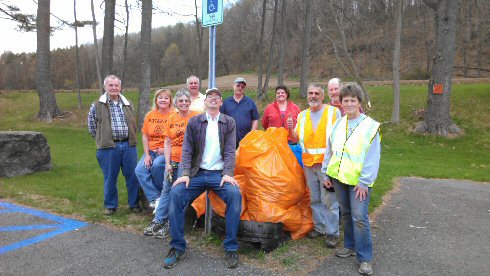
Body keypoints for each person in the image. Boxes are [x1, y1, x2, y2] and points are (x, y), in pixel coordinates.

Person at [164, 88, 241, 269]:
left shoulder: (229, 122)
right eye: (210, 97)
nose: (213, 100)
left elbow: (230, 150)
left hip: (218, 175)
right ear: (204, 102)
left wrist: (228, 174)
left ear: (221, 102)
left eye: (217, 97)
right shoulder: (195, 122)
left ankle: (230, 247)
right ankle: (177, 246)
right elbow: (187, 150)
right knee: (175, 194)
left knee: (235, 195)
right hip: (196, 174)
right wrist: (184, 174)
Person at [322, 84, 381, 276]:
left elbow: (373, 157)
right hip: (338, 178)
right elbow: (330, 151)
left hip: (358, 183)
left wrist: (364, 181)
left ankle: (364, 258)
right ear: (341, 102)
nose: (348, 104)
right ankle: (349, 245)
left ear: (359, 102)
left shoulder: (370, 126)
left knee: (360, 218)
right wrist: (326, 173)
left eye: (352, 100)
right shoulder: (338, 124)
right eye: (345, 100)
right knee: (345, 214)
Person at [286, 83, 341, 248]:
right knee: (315, 198)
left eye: (317, 93)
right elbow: (295, 139)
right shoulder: (302, 115)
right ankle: (319, 227)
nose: (313, 96)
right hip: (309, 164)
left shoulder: (333, 112)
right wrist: (289, 129)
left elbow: (339, 139)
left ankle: (332, 233)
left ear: (322, 96)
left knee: (329, 199)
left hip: (327, 165)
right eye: (310, 93)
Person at [143, 89, 199, 238]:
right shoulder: (171, 118)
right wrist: (167, 163)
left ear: (190, 102)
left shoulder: (196, 117)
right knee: (166, 190)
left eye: (186, 100)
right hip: (173, 160)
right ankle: (158, 220)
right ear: (176, 103)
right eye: (180, 101)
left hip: (187, 161)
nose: (184, 103)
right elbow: (167, 142)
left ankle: (172, 223)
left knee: (179, 192)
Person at [88, 75, 141, 215]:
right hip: (108, 148)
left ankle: (134, 203)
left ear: (120, 87)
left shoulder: (128, 103)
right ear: (105, 87)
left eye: (116, 85)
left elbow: (133, 125)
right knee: (110, 177)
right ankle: (111, 205)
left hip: (128, 146)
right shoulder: (97, 105)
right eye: (110, 85)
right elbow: (92, 127)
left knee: (133, 176)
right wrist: (103, 139)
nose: (114, 88)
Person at [134, 89, 175, 210]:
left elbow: (178, 136)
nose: (163, 100)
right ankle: (156, 198)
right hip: (151, 151)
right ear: (156, 100)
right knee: (140, 170)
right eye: (160, 98)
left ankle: (162, 195)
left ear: (170, 100)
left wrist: (165, 149)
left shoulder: (174, 115)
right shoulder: (150, 115)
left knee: (157, 165)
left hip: (166, 151)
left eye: (166, 98)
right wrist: (146, 155)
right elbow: (145, 136)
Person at [220, 77, 259, 148]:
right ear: (233, 86)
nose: (240, 88)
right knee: (231, 158)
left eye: (242, 87)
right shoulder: (226, 102)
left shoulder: (250, 102)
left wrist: (252, 134)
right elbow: (221, 120)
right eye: (238, 85)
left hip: (246, 139)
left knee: (246, 158)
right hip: (230, 140)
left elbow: (255, 119)